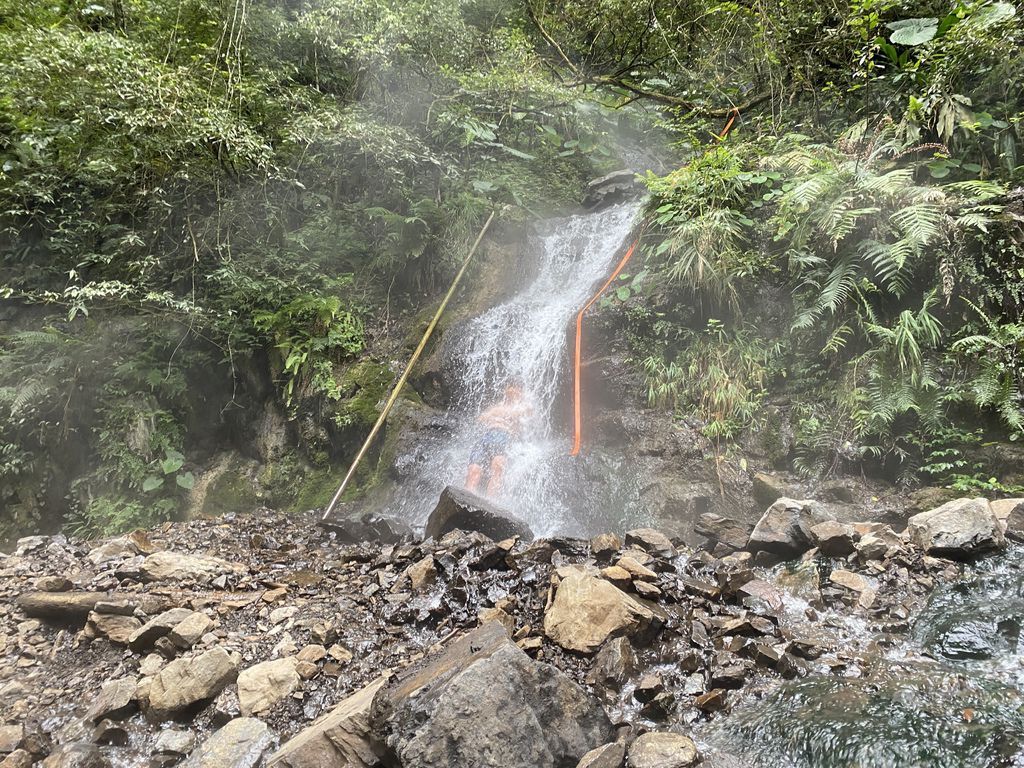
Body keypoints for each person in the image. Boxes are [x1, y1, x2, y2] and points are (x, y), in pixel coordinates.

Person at [465, 381, 533, 498]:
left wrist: (499, 415)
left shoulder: (525, 407)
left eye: (517, 389)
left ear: (522, 393)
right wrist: (496, 415)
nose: (514, 391)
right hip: (485, 437)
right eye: (511, 387)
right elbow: (481, 418)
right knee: (473, 470)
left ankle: (490, 503)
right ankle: (464, 501)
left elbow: (524, 414)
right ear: (506, 390)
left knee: (497, 466)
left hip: (504, 436)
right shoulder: (497, 406)